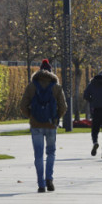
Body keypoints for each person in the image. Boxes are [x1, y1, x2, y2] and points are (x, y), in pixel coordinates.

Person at [20, 59, 67, 192]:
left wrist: (31, 116)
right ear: (51, 72)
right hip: (51, 125)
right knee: (51, 153)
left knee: (38, 155)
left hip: (36, 126)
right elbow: (63, 107)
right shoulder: (56, 87)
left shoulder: (31, 86)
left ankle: (41, 184)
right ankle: (49, 179)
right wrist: (57, 118)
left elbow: (22, 106)